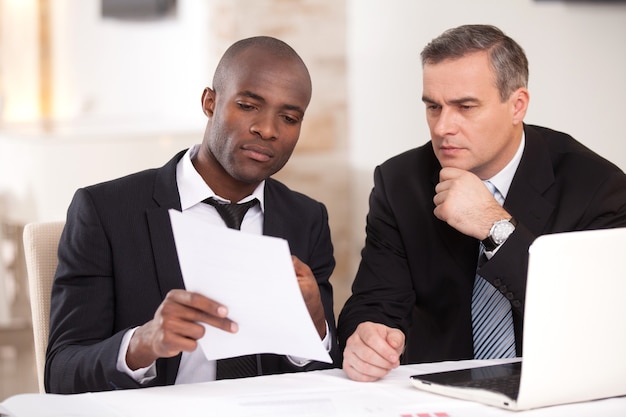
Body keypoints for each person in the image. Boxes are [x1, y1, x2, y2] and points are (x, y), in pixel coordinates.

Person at [46, 36, 339, 394]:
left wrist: (316, 326)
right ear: (210, 102)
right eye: (248, 105)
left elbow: (326, 377)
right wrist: (142, 344)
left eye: (289, 117)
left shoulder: (307, 219)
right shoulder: (106, 211)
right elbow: (60, 373)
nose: (268, 129)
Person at [337, 24, 626, 382]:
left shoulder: (596, 186)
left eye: (465, 107)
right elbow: (374, 301)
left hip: (557, 390)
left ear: (517, 105)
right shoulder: (400, 182)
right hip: (438, 395)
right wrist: (366, 336)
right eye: (433, 107)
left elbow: (598, 316)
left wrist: (495, 228)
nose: (443, 127)